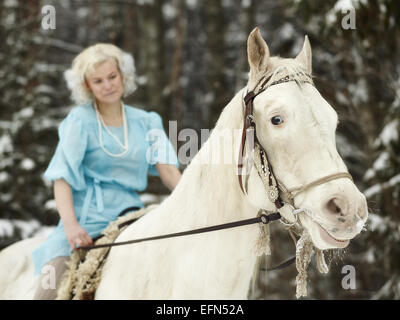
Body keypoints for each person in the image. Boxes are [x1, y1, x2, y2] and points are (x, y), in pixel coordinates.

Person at [32, 43, 181, 299]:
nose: (108, 85)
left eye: (112, 77)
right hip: (84, 218)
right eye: (98, 81)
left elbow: (167, 171)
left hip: (130, 215)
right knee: (51, 284)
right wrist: (71, 227)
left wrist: (190, 200)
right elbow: (62, 179)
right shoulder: (79, 121)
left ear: (123, 75)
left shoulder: (147, 121)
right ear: (87, 86)